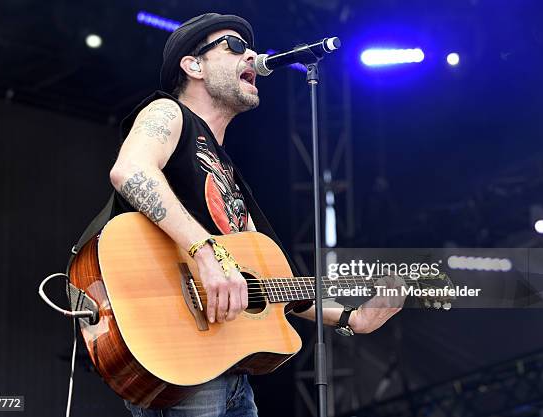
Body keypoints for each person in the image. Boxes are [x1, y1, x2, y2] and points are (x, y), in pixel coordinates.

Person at [109, 12, 404, 417]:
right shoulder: (168, 113)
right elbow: (131, 170)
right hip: (183, 360)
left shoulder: (228, 172)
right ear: (193, 65)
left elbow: (272, 286)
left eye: (250, 47)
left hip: (231, 370)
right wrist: (206, 252)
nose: (252, 54)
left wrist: (352, 318)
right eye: (234, 46)